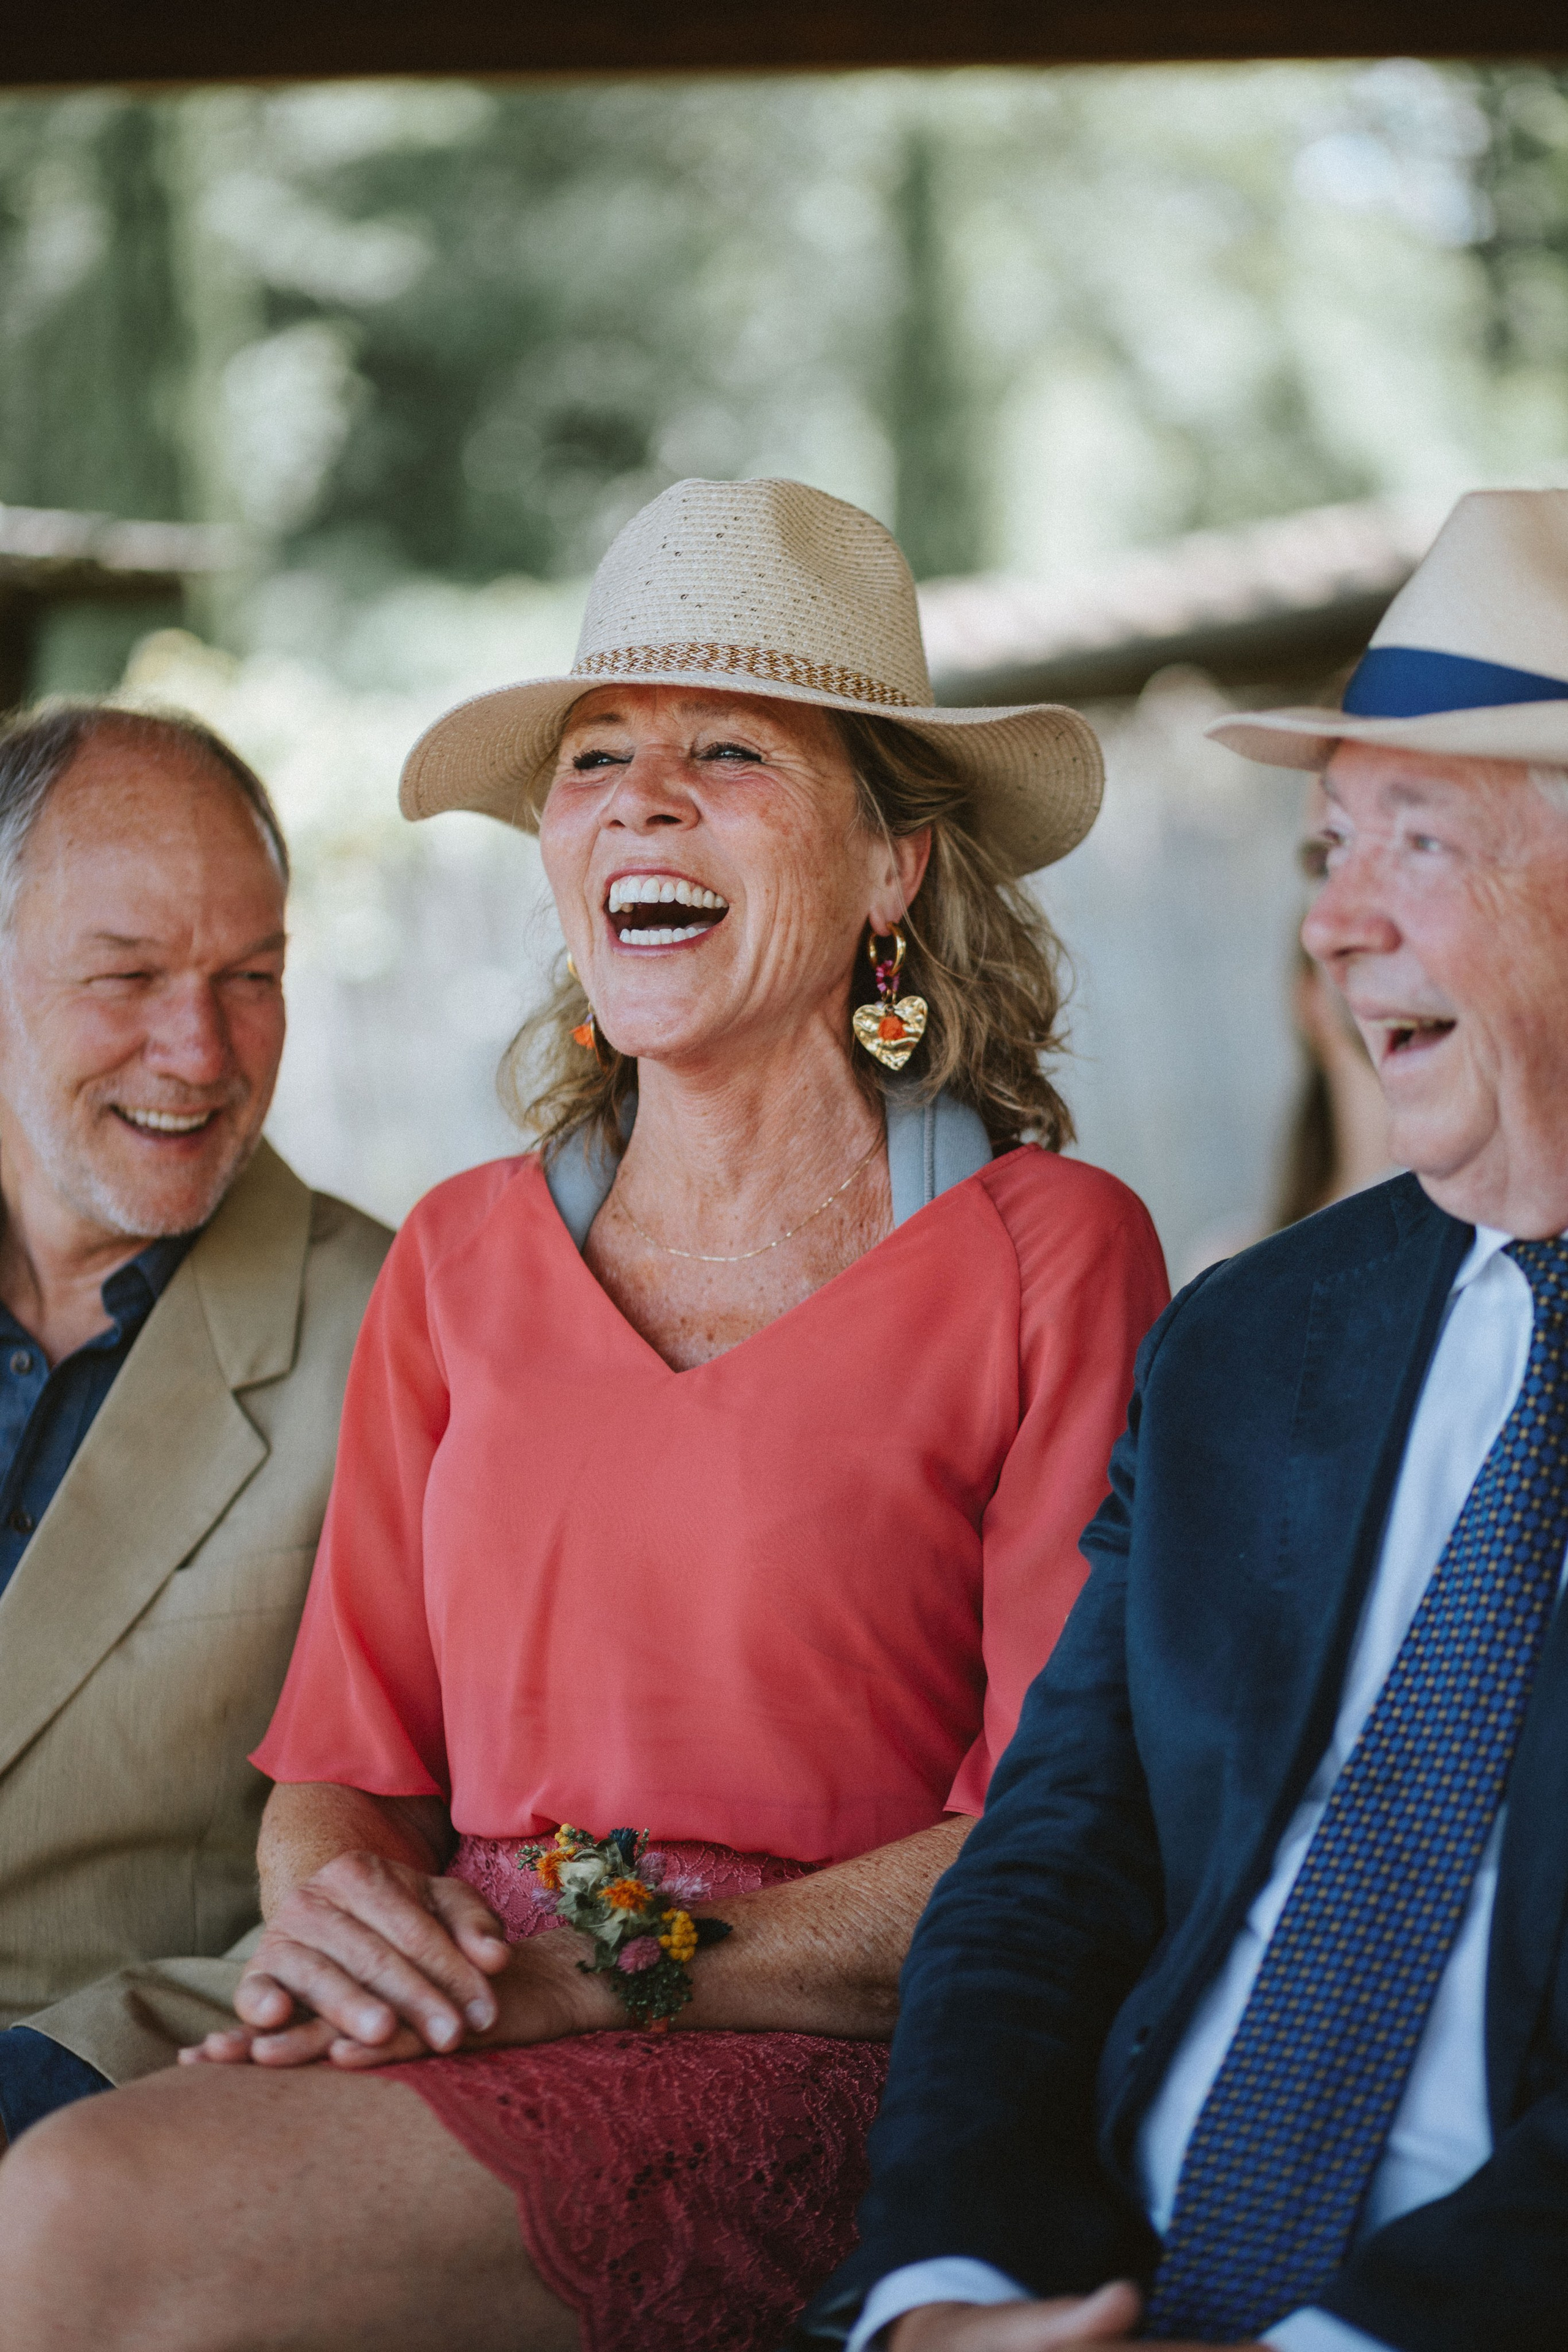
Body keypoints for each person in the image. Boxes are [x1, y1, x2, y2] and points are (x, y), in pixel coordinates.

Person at [0, 477, 1168, 2352]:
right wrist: (342, 1927)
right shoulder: (461, 1256)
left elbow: (1056, 1828)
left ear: (893, 869)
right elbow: (342, 1778)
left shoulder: (1053, 1251)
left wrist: (617, 1972)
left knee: (73, 2215)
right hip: (472, 2003)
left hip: (816, 2054)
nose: (640, 796)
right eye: (598, 756)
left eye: (731, 750)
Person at [799, 481, 1568, 2352]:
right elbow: (1057, 1859)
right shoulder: (1254, 1339)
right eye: (1326, 846)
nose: (1334, 922)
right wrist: (951, 2281)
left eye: (1419, 841)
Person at [0, 704, 391, 2147]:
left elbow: (457, 1877)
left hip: (84, 2143)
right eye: (128, 975)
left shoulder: (408, 1332)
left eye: (253, 976)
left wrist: (53, 2085)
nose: (201, 1048)